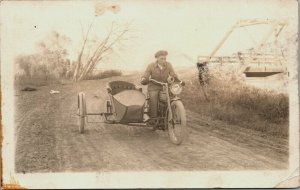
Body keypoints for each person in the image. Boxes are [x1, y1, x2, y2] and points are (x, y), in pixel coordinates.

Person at [141, 50, 183, 119]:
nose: (164, 61)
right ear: (157, 58)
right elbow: (146, 75)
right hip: (153, 87)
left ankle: (168, 116)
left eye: (165, 59)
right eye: (162, 59)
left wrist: (179, 81)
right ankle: (153, 119)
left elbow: (173, 74)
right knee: (153, 99)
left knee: (170, 98)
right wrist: (144, 79)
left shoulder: (168, 65)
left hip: (165, 87)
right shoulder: (151, 66)